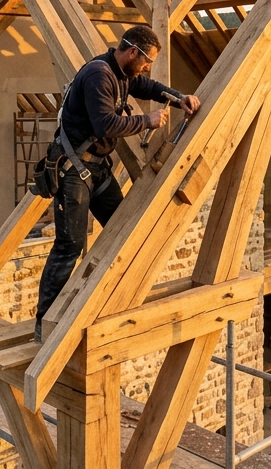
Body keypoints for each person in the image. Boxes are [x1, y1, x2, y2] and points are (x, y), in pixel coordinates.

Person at [34, 26, 200, 341]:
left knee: (121, 228)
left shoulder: (122, 74)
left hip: (96, 169)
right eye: (147, 60)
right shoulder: (100, 75)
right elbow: (105, 124)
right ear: (132, 51)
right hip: (74, 171)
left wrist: (179, 98)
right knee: (69, 247)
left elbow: (148, 87)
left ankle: (101, 304)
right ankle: (45, 326)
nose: (147, 67)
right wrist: (147, 121)